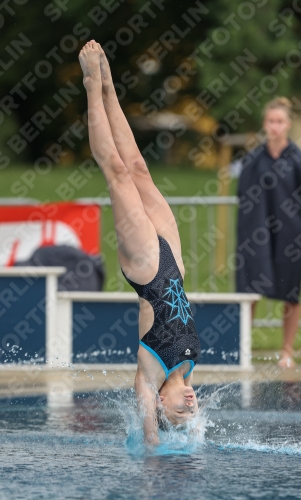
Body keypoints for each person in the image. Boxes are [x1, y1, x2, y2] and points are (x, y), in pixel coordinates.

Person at [78, 41, 201, 446]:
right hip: (175, 263)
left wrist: (153, 440)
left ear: (160, 407)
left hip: (147, 269)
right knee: (139, 169)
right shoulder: (187, 370)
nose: (190, 403)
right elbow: (193, 426)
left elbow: (151, 442)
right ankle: (112, 86)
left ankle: (92, 85)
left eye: (180, 411)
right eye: (192, 409)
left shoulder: (150, 377)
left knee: (116, 170)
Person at [236, 97, 301, 368]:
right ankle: (243, 349)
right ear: (264, 124)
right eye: (271, 121)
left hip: (290, 236)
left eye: (280, 121)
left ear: (288, 124)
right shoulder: (253, 160)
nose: (275, 126)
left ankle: (287, 351)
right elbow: (243, 198)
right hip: (256, 235)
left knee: (290, 293)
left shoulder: (300, 161)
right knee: (250, 292)